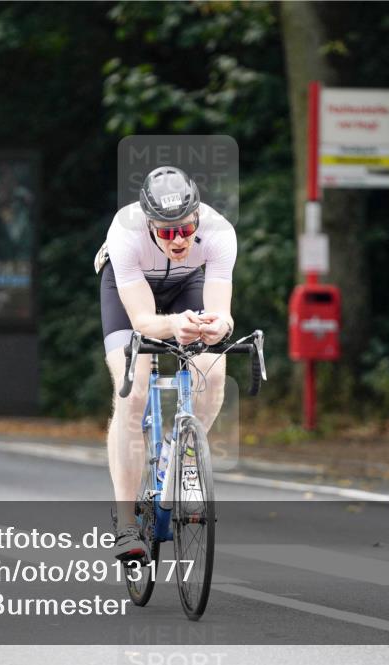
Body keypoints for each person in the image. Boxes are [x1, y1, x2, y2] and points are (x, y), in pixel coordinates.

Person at [97, 166, 236, 560]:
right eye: (166, 231)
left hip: (186, 285)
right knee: (133, 389)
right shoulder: (125, 232)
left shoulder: (220, 231)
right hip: (128, 292)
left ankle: (181, 456)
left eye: (186, 230)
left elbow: (221, 311)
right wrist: (176, 325)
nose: (178, 239)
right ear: (149, 223)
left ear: (197, 217)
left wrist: (217, 326)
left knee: (214, 369)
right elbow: (142, 323)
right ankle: (126, 525)